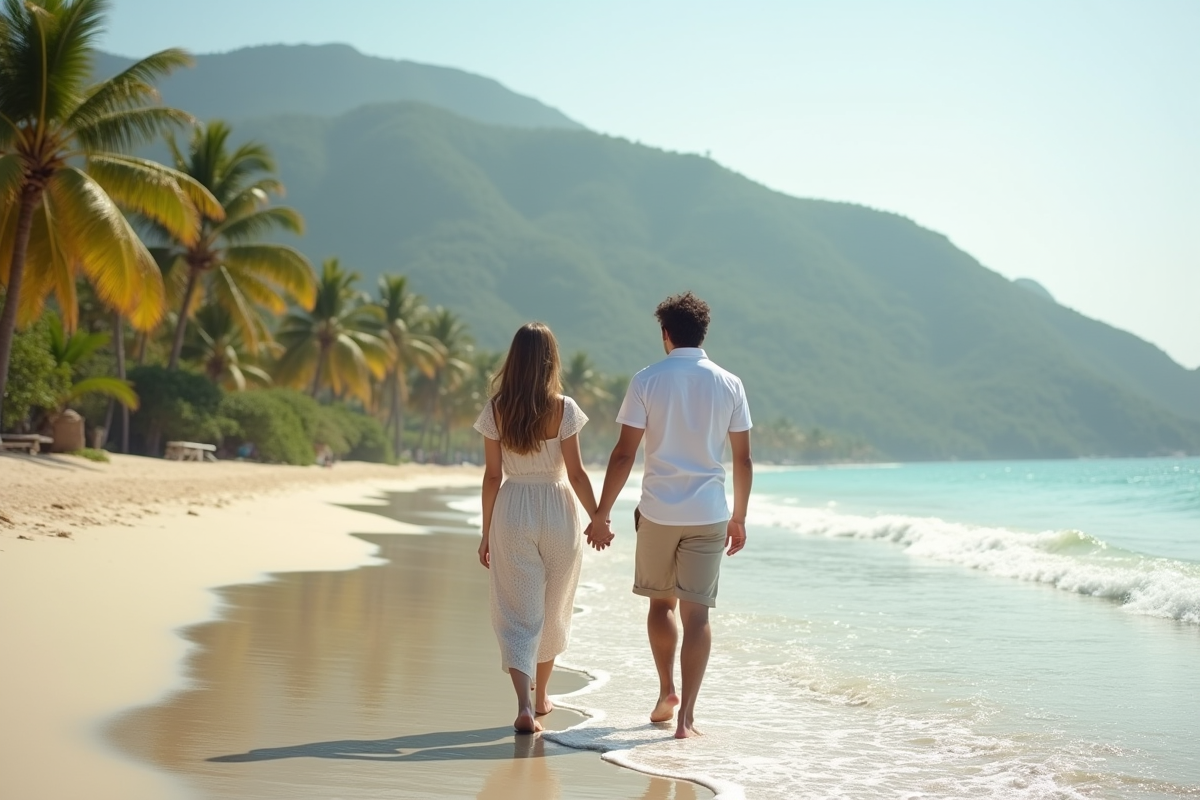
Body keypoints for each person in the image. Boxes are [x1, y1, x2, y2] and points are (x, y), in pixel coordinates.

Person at [588, 292, 753, 739]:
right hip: (709, 512)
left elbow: (624, 454)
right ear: (703, 333)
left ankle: (667, 691)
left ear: (666, 334)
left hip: (658, 511)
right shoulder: (730, 383)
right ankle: (687, 720)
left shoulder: (647, 380)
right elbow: (742, 459)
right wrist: (738, 517)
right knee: (698, 615)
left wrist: (602, 513)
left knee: (661, 604)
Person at [474, 322, 600, 733]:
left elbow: (493, 476)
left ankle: (524, 705)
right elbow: (577, 473)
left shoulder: (496, 410)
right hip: (559, 509)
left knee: (518, 612)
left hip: (513, 508)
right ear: (551, 360)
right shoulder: (564, 408)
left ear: (514, 359)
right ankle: (543, 695)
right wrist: (598, 516)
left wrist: (486, 532)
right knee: (554, 606)